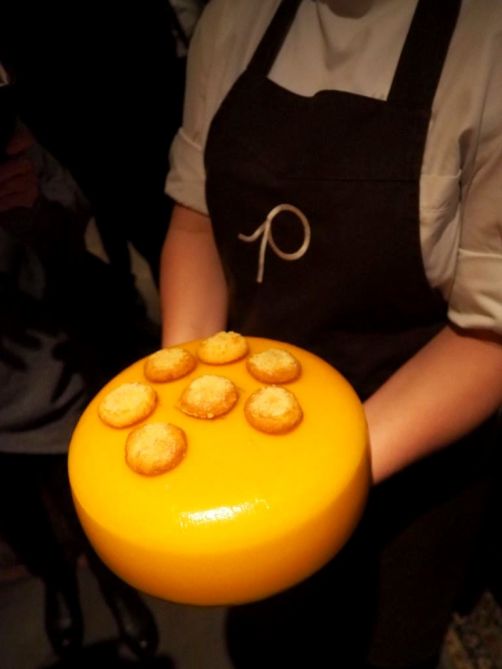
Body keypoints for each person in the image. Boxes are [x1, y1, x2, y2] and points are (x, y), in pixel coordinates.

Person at [159, 1, 502, 667]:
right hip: (254, 449)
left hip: (412, 454)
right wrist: (189, 395)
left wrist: (315, 478)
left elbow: (487, 335)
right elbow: (195, 221)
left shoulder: (486, 44)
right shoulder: (235, 17)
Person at [0, 64, 159, 661]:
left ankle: (113, 586)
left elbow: (75, 233)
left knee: (87, 496)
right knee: (20, 519)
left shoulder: (16, 141)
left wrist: (30, 212)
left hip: (54, 363)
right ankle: (58, 584)